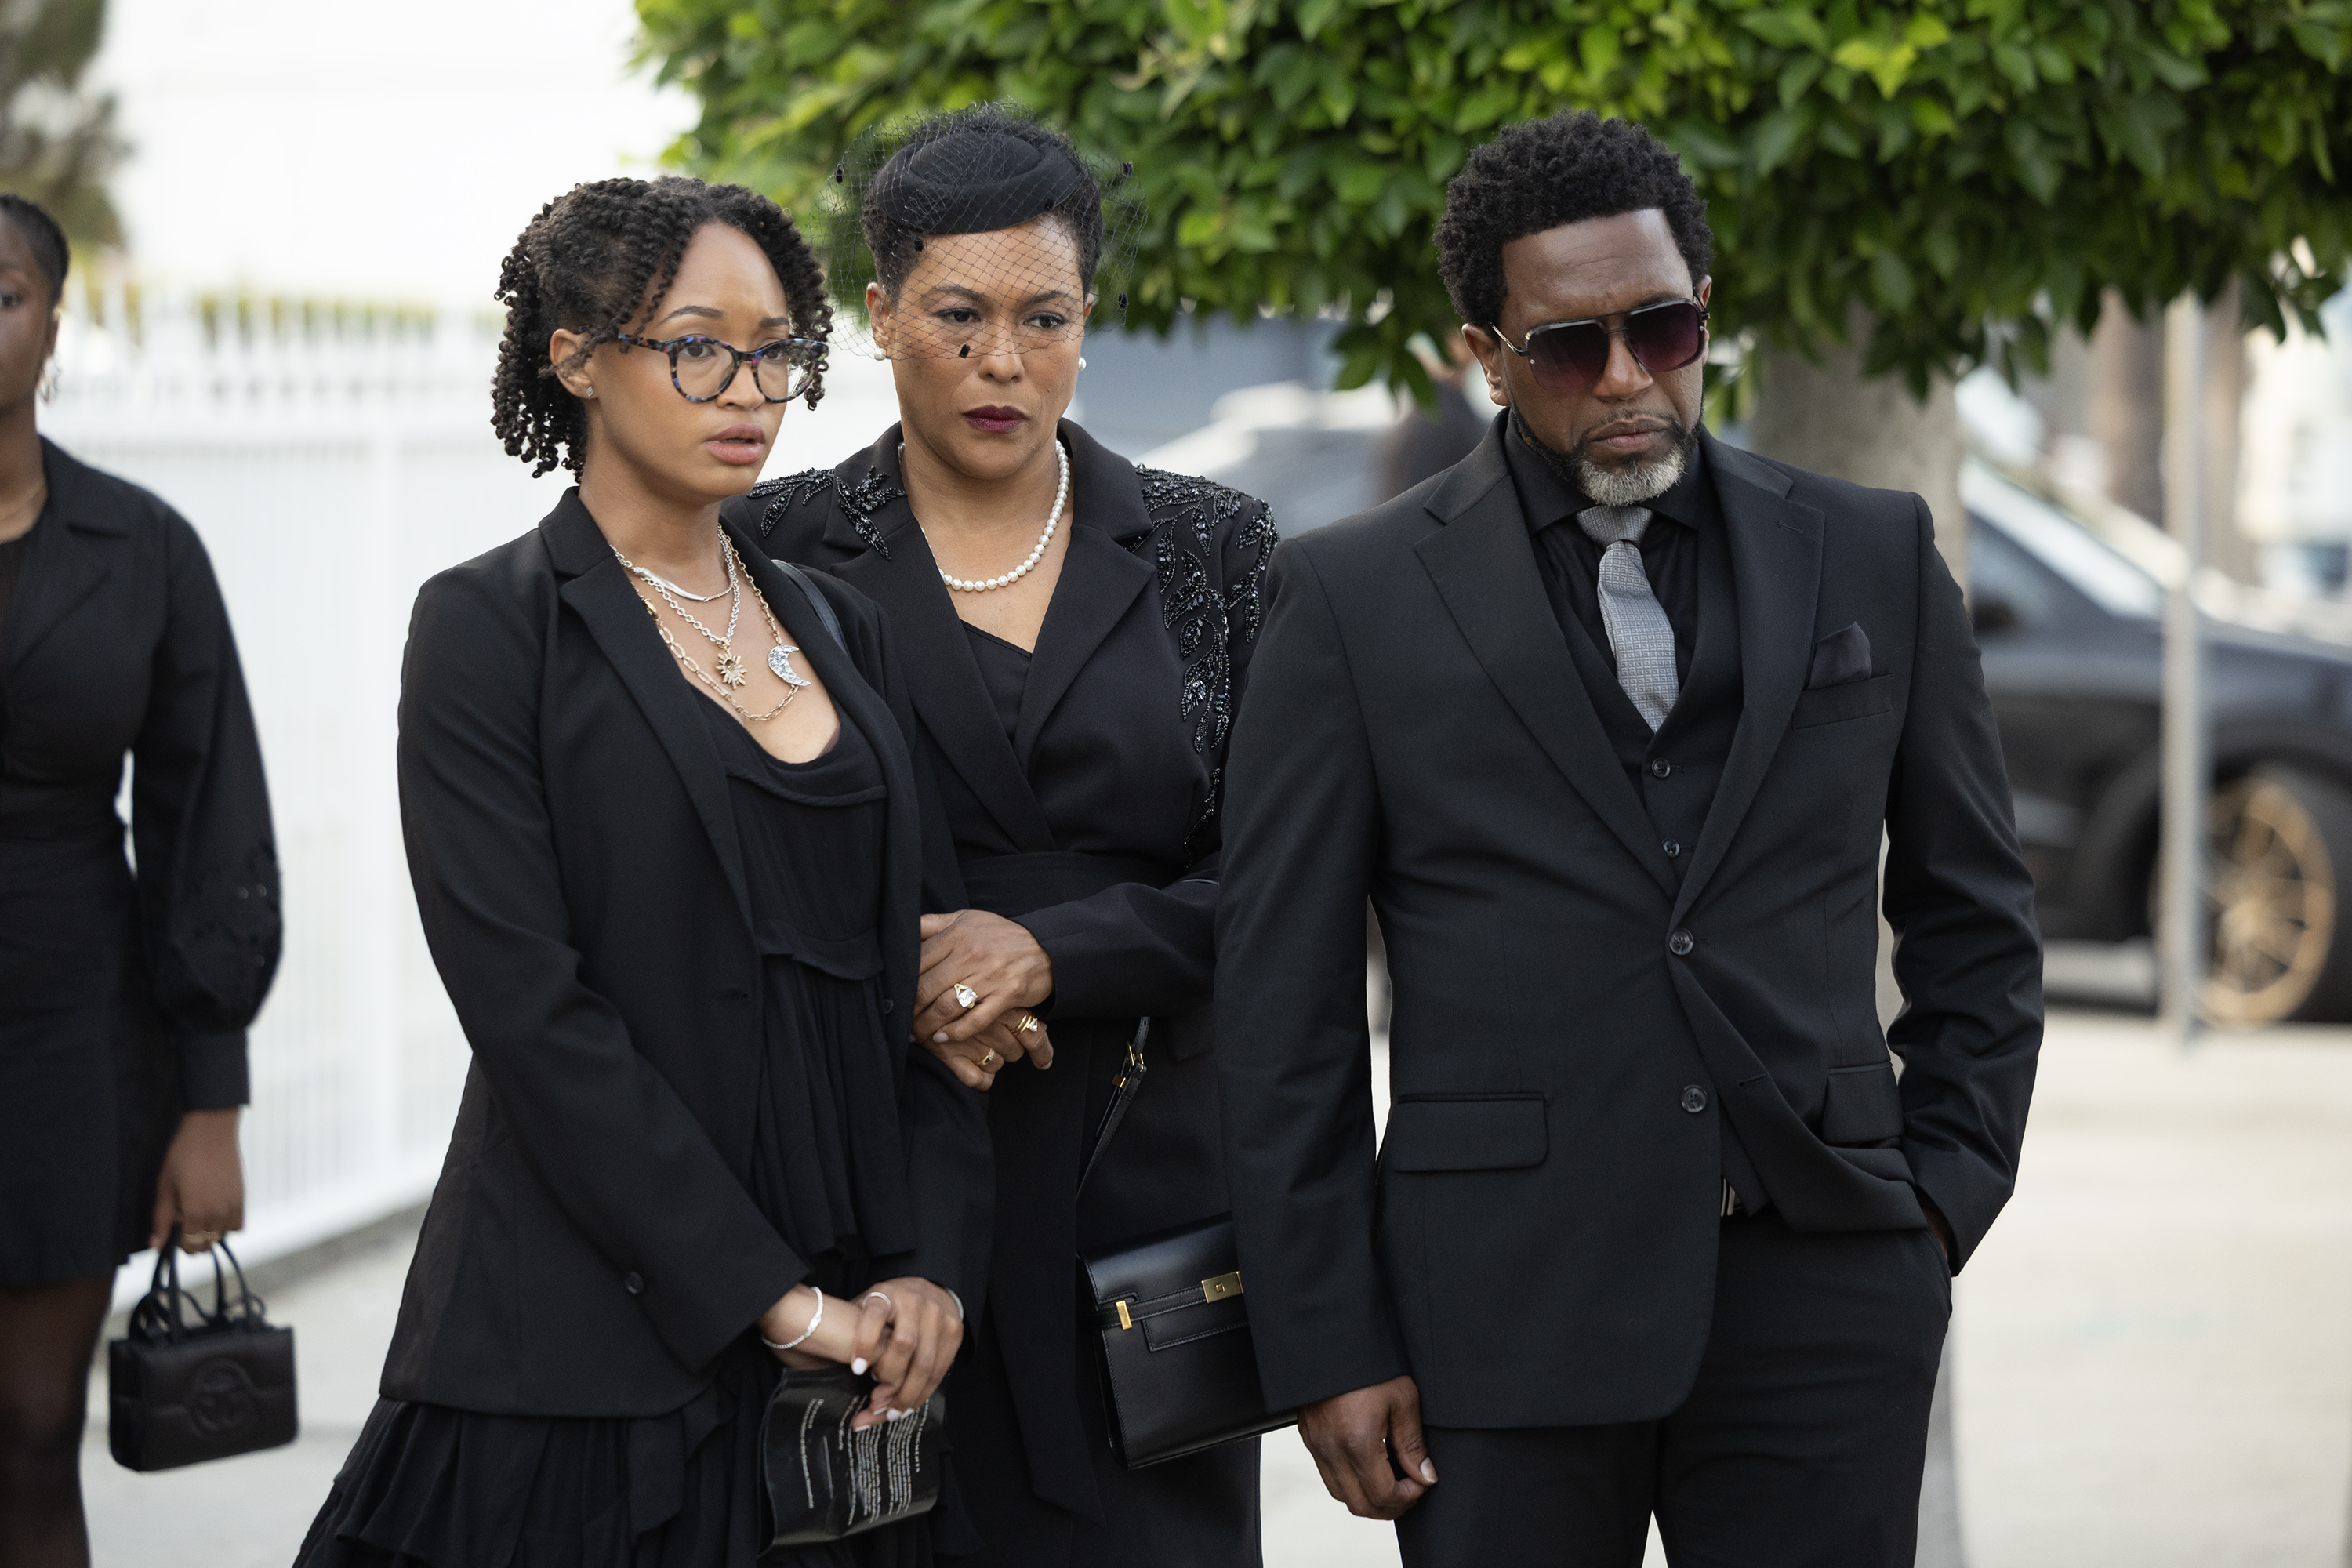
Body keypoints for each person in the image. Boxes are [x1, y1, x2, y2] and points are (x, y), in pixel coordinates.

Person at [1214, 110, 2042, 1566]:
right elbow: (1286, 1003)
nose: (1624, 379)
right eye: (1567, 348)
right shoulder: (1350, 599)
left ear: (1703, 312)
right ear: (1485, 354)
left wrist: (1937, 1206)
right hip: (1497, 1312)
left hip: (1826, 1288)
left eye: (1661, 330)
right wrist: (1328, 1336)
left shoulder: (1872, 554)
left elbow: (1976, 914)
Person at [296, 176, 989, 1567]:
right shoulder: (489, 629)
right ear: (575, 358)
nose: (750, 390)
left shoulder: (841, 628)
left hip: (852, 1341)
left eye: (777, 350)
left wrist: (927, 1265)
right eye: (696, 348)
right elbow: (531, 1013)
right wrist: (772, 1301)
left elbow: (911, 976)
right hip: (586, 1339)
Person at [733, 104, 1276, 1567]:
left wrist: (1046, 951)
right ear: (878, 315)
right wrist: (908, 978)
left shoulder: (1218, 549)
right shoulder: (769, 551)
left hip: (1149, 1194)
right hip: (873, 1184)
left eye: (1046, 316)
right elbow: (716, 870)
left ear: (1088, 319)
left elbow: (1290, 880)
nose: (1003, 359)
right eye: (957, 315)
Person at [0, 194, 278, 1568]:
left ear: (53, 326)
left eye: (2, 294)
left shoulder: (143, 548)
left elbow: (205, 824)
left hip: (63, 1035)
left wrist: (209, 1101)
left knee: (31, 1430)